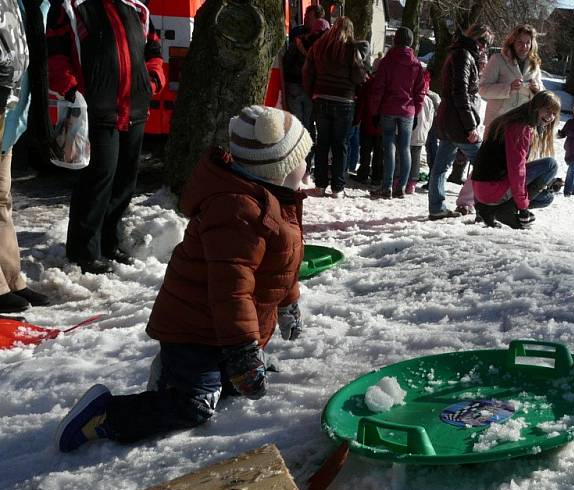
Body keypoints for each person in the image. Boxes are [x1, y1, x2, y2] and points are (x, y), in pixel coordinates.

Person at [55, 106, 312, 452]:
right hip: (195, 330)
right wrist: (242, 352)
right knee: (195, 405)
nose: (306, 167)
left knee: (229, 387)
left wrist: (287, 301)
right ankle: (105, 415)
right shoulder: (238, 212)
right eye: (301, 159)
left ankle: (209, 372)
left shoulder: (276, 201)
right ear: (276, 169)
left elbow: (280, 265)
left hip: (222, 327)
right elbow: (231, 290)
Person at [46, 0, 165, 274]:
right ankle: (83, 252)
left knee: (125, 180)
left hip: (135, 107)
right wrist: (70, 89)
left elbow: (153, 49)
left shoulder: (136, 8)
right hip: (96, 109)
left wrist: (153, 79)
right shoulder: (70, 8)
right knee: (98, 178)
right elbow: (55, 54)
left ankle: (108, 242)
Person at [0, 0, 51, 314]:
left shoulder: (21, 4)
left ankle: (10, 275)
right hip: (3, 106)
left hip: (9, 115)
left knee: (3, 200)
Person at [427, 23, 494, 220]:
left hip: (448, 120)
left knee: (439, 168)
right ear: (475, 37)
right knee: (483, 162)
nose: (484, 47)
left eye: (487, 44)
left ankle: (436, 208)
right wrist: (470, 126)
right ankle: (483, 209)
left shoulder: (459, 52)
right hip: (459, 122)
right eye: (483, 41)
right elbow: (461, 93)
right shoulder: (464, 55)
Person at [472, 90, 562, 229]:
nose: (550, 117)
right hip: (493, 190)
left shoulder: (509, 120)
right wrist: (523, 207)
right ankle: (507, 210)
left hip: (482, 192)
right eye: (547, 111)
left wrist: (479, 203)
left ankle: (490, 210)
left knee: (546, 198)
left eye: (554, 113)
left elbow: (482, 161)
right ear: (536, 107)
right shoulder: (521, 128)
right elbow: (517, 169)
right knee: (550, 165)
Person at [302, 16, 367, 198]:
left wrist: (312, 93)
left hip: (321, 99)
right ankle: (337, 187)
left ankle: (320, 185)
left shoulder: (319, 47)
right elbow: (359, 77)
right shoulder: (352, 50)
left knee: (322, 143)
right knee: (340, 145)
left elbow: (307, 72)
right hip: (344, 102)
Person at [368, 26, 426, 199]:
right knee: (405, 148)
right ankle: (401, 186)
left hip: (388, 109)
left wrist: (374, 110)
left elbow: (378, 88)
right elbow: (420, 92)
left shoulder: (387, 61)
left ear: (395, 40)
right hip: (408, 110)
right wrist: (417, 111)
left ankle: (387, 186)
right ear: (411, 42)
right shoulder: (416, 65)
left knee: (389, 148)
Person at [479, 24, 543, 129]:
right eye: (520, 42)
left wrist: (537, 89)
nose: (524, 46)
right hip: (498, 123)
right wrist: (509, 88)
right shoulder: (497, 59)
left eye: (528, 43)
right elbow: (482, 89)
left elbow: (541, 92)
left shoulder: (534, 64)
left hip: (522, 123)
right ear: (512, 42)